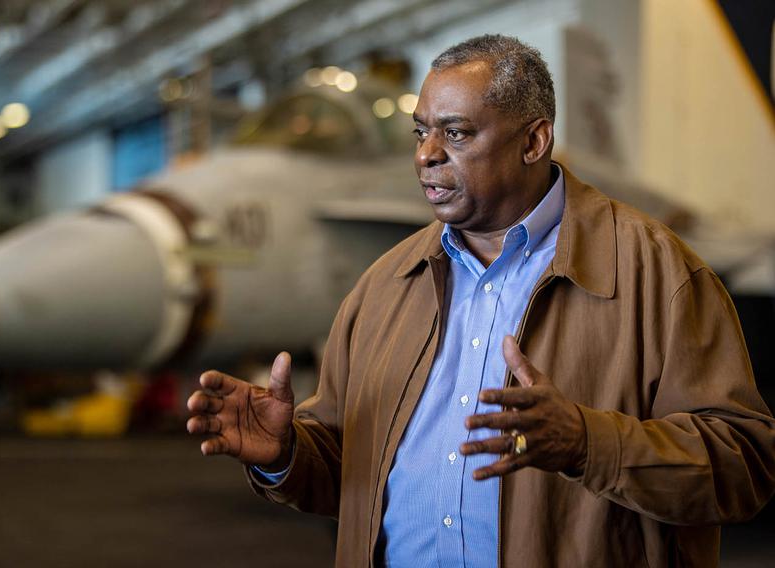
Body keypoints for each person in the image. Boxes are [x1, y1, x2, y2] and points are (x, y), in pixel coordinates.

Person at [186, 34, 775, 567]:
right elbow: (350, 469)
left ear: (534, 140)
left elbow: (745, 466)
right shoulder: (386, 285)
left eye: (457, 133)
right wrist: (285, 454)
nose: (425, 154)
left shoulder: (658, 273)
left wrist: (586, 443)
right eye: (421, 132)